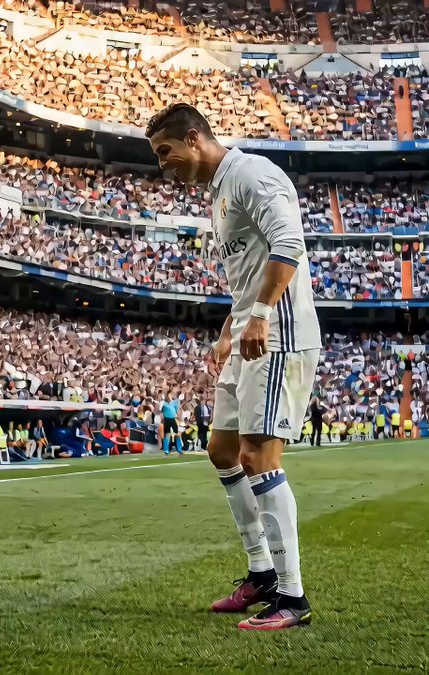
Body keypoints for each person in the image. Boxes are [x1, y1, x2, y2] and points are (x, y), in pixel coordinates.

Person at [147, 103, 321, 630]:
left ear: (194, 139)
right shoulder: (220, 194)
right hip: (246, 335)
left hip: (278, 334)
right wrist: (229, 329)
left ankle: (292, 598)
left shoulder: (253, 174)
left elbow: (289, 242)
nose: (163, 165)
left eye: (165, 152)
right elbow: (245, 278)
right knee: (221, 449)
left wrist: (262, 315)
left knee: (258, 456)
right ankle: (262, 572)